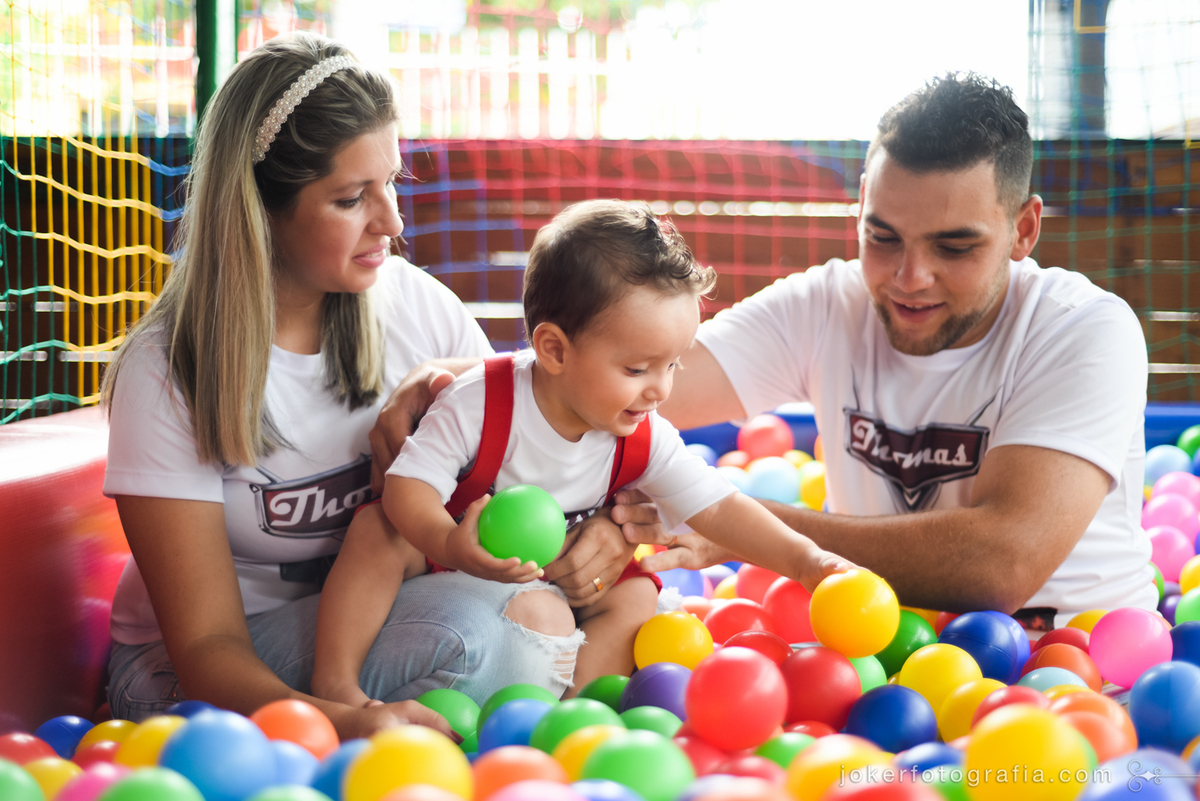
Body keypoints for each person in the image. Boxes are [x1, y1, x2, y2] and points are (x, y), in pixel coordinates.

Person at [100, 31, 600, 739]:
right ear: (258, 208)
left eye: (391, 182)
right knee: (499, 630)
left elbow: (540, 449)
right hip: (188, 679)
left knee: (532, 612)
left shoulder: (415, 306)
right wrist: (344, 721)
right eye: (349, 198)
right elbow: (209, 647)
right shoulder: (169, 369)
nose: (391, 222)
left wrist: (448, 378)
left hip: (371, 625)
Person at [637, 73, 1156, 630]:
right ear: (862, 204)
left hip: (1071, 672)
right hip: (873, 659)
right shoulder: (825, 305)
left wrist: (741, 525)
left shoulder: (1085, 329)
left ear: (1023, 230)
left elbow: (999, 565)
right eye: (883, 238)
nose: (910, 278)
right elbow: (625, 391)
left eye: (954, 246)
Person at [312, 200, 850, 701]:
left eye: (673, 364)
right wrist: (451, 543)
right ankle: (335, 683)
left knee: (636, 598)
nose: (660, 389)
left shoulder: (642, 431)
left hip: (558, 576)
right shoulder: (480, 401)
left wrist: (806, 560)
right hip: (449, 557)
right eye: (637, 369)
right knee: (376, 529)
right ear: (554, 350)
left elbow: (721, 508)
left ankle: (571, 708)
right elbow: (409, 485)